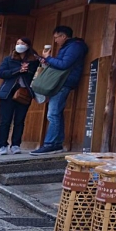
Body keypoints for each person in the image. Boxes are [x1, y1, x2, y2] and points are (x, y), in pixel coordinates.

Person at [31, 25, 87, 155]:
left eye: (56, 37)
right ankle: (56, 144)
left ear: (63, 36)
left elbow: (64, 65)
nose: (55, 41)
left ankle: (50, 144)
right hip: (62, 82)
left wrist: (49, 58)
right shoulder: (71, 46)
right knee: (57, 113)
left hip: (63, 82)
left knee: (53, 113)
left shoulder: (75, 47)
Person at [0, 37, 39, 155]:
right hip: (8, 93)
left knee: (20, 120)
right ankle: (2, 145)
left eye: (22, 43)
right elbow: (1, 73)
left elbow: (38, 74)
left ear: (28, 46)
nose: (19, 45)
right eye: (18, 43)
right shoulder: (9, 59)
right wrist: (18, 69)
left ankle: (16, 145)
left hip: (24, 93)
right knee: (5, 120)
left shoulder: (34, 60)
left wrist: (27, 70)